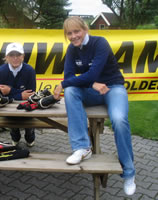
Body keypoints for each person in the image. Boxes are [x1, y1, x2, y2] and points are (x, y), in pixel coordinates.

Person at [53, 16, 136, 196]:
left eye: (77, 31)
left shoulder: (100, 43)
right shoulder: (72, 49)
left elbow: (92, 74)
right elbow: (69, 77)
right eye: (69, 33)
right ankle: (82, 148)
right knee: (70, 91)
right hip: (93, 90)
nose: (74, 36)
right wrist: (90, 84)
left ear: (85, 29)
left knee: (119, 120)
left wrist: (85, 82)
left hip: (113, 87)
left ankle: (129, 172)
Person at [0, 42, 36, 147]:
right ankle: (15, 136)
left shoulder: (30, 70)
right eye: (11, 55)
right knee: (13, 122)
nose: (15, 58)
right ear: (6, 57)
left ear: (23, 56)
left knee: (29, 123)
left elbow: (31, 94)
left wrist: (10, 91)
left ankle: (30, 135)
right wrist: (19, 95)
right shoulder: (1, 71)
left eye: (18, 55)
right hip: (8, 107)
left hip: (26, 106)